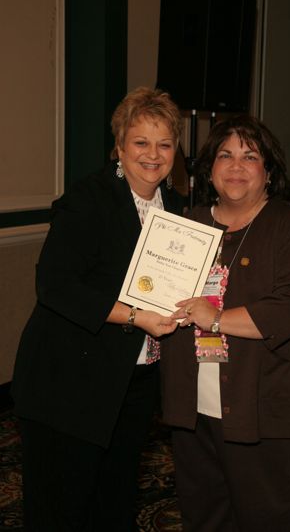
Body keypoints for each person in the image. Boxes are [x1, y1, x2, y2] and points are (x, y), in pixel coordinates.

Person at [11, 86, 183, 531]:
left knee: (114, 503)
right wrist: (136, 316)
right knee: (62, 511)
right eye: (141, 142)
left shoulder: (176, 207)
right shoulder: (89, 199)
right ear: (120, 145)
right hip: (69, 382)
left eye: (164, 144)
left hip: (133, 380)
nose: (153, 154)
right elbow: (55, 285)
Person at [160, 115, 290, 532]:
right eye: (225, 155)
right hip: (195, 413)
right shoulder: (187, 226)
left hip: (273, 413)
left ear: (268, 173)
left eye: (249, 156)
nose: (236, 166)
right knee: (205, 519)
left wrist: (216, 317)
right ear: (209, 168)